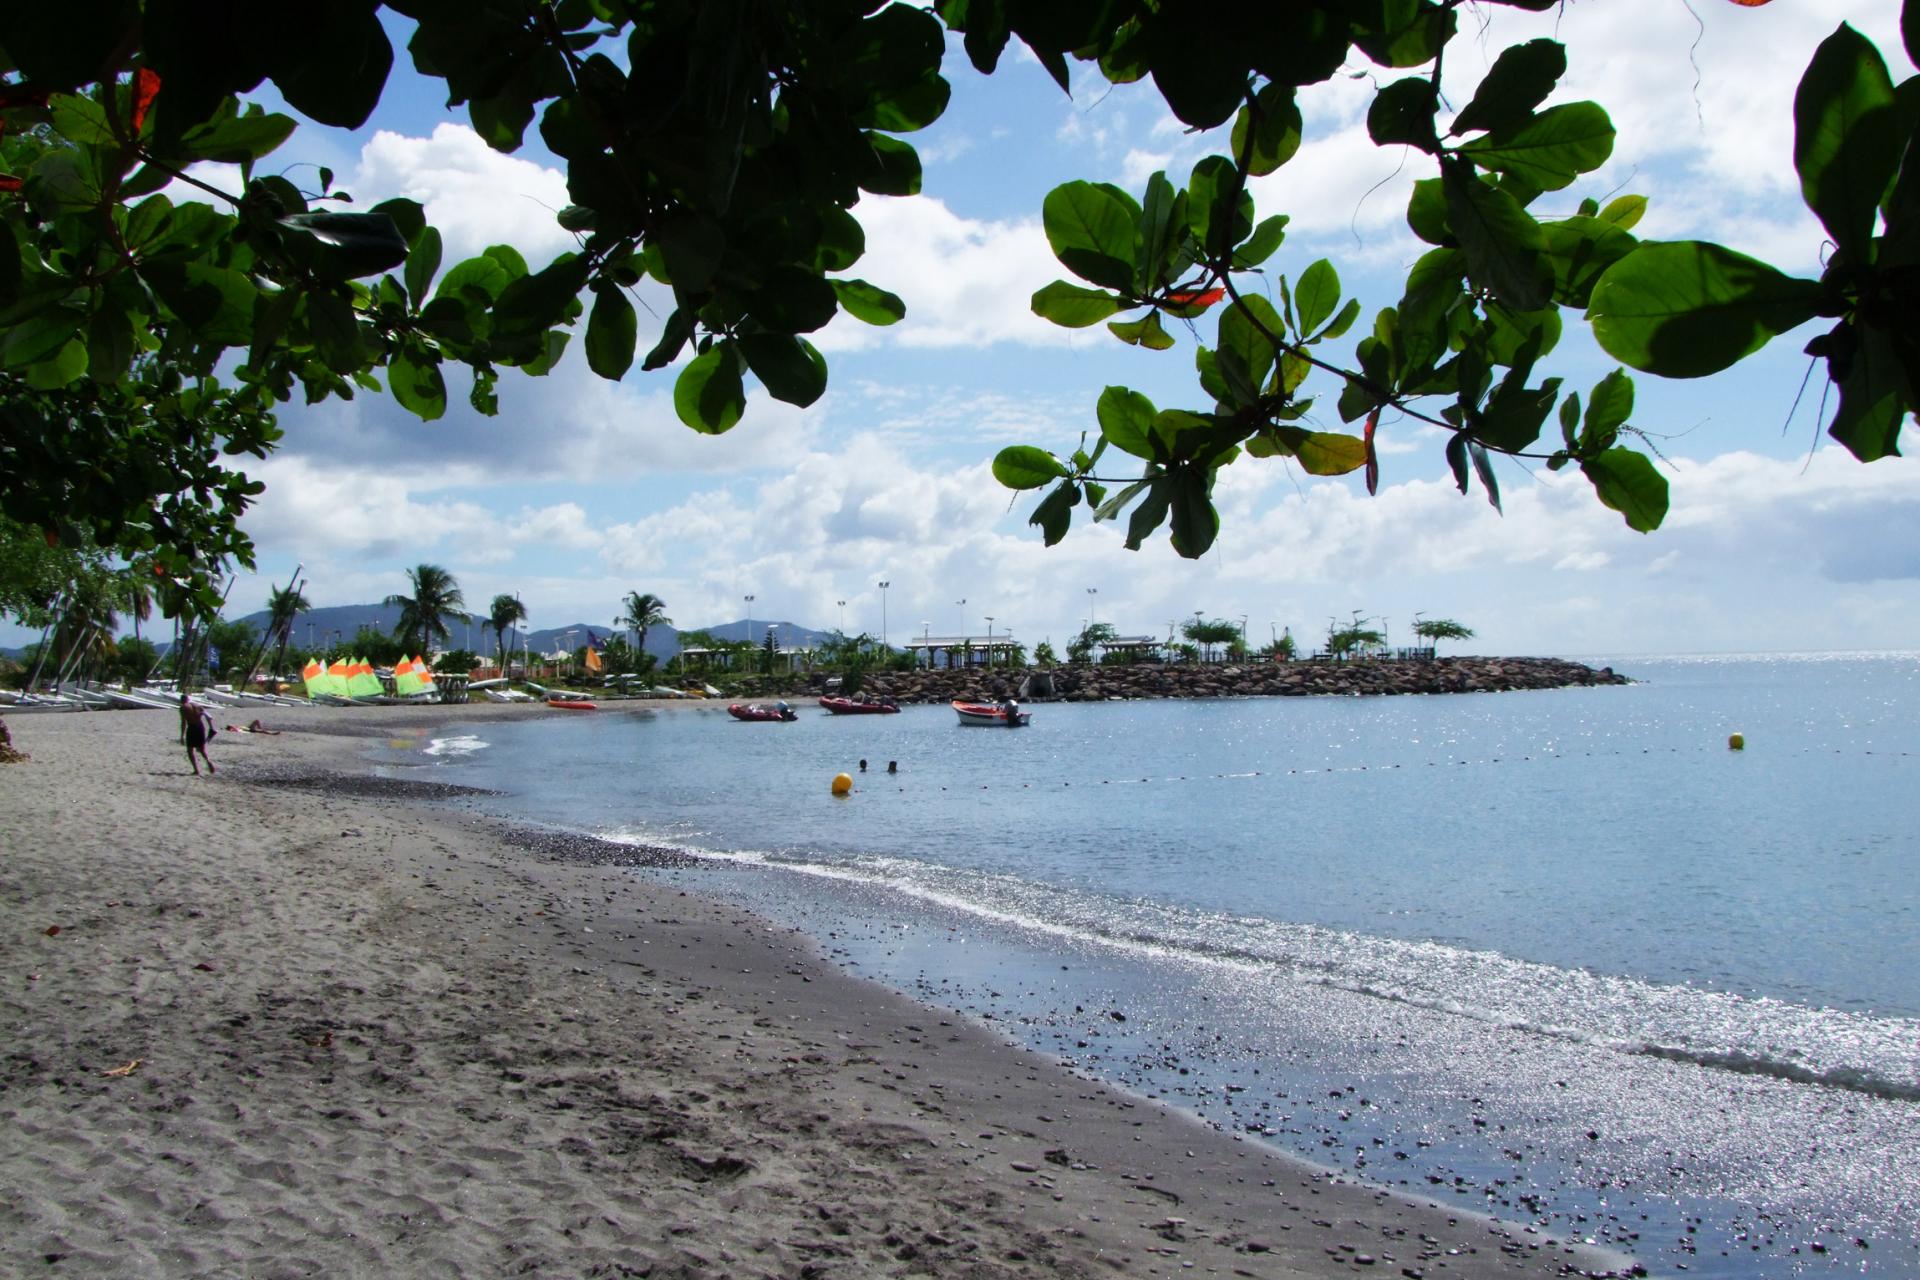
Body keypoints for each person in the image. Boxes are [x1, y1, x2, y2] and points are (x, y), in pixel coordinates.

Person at [179, 694, 215, 775]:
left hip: (192, 728)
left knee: (190, 750)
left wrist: (182, 736)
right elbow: (209, 717)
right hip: (200, 726)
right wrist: (211, 727)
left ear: (181, 700)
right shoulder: (197, 705)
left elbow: (183, 722)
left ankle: (196, 770)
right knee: (202, 749)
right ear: (188, 699)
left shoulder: (183, 707)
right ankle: (209, 761)